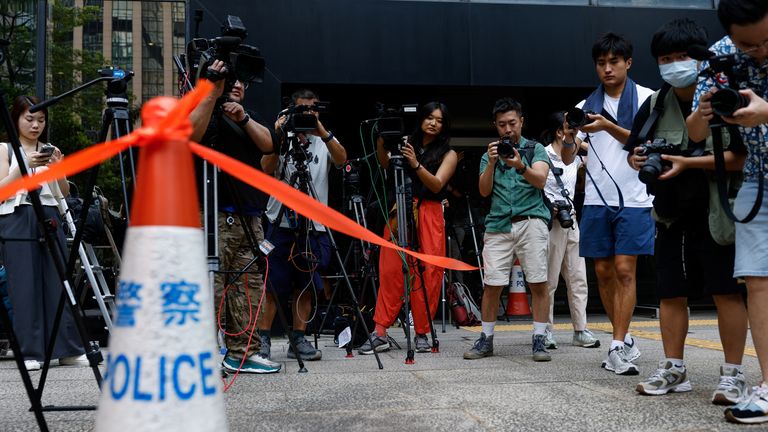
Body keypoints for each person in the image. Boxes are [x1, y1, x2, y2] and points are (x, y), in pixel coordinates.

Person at [625, 18, 749, 403]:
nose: (675, 64)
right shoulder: (656, 103)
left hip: (717, 213)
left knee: (726, 292)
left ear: (700, 57)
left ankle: (733, 375)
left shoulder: (722, 96)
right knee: (670, 293)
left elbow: (740, 159)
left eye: (683, 56)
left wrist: (685, 161)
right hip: (670, 211)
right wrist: (636, 159)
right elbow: (636, 149)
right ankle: (674, 368)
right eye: (666, 58)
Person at [685, 0, 768, 423]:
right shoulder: (720, 55)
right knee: (756, 280)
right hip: (758, 179)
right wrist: (705, 112)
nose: (759, 50)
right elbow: (694, 132)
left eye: (767, 41)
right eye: (749, 45)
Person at [189, 60, 281, 374]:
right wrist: (210, 96)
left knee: (249, 288)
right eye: (232, 81)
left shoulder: (247, 116)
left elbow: (269, 144)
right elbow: (190, 135)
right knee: (210, 287)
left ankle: (244, 353)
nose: (239, 86)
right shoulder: (203, 109)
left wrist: (242, 119)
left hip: (250, 215)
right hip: (212, 214)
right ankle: (200, 354)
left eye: (243, 82)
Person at [576, 33, 655, 375]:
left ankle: (616, 345)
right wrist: (566, 140)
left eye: (614, 62)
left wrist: (607, 126)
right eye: (601, 63)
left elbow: (646, 143)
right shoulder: (584, 107)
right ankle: (623, 339)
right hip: (596, 198)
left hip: (636, 197)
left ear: (628, 63)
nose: (607, 69)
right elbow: (570, 155)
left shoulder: (648, 99)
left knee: (625, 270)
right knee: (603, 272)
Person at [358, 102, 458, 355]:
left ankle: (422, 332)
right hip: (398, 209)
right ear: (421, 119)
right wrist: (383, 142)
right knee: (390, 270)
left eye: (439, 120)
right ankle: (380, 332)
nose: (433, 123)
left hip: (429, 213)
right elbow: (385, 165)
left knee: (429, 274)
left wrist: (414, 163)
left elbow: (436, 185)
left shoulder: (449, 153)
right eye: (429, 118)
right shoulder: (405, 142)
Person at [259, 89, 347, 362]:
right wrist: (279, 135)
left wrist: (320, 128)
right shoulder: (281, 139)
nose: (309, 113)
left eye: (314, 108)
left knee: (307, 283)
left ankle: (298, 338)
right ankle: (262, 339)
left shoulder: (323, 140)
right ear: (290, 111)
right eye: (303, 109)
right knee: (273, 284)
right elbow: (266, 167)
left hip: (315, 225)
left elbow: (342, 159)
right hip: (281, 221)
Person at [0, 95, 87, 371]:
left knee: (58, 281)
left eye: (40, 120)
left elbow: (63, 193)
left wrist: (59, 170)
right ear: (16, 119)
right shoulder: (5, 149)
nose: (35, 125)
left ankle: (67, 348)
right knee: (24, 285)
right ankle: (30, 351)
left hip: (50, 214)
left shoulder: (51, 148)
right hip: (17, 214)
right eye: (29, 119)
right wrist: (25, 165)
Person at [463, 97, 552, 362]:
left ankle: (539, 339)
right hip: (498, 225)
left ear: (521, 121)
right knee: (492, 285)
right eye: (502, 125)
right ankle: (486, 339)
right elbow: (483, 191)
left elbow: (540, 180)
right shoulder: (487, 155)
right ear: (495, 126)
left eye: (512, 123)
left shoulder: (535, 149)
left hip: (531, 221)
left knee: (538, 282)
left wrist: (519, 165)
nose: (508, 129)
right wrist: (491, 163)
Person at [539, 111, 600, 350]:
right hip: (551, 221)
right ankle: (544, 331)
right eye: (569, 126)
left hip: (572, 219)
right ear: (558, 131)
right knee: (549, 281)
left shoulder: (574, 154)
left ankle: (580, 329)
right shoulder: (542, 154)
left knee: (578, 278)